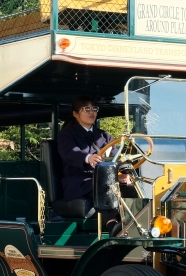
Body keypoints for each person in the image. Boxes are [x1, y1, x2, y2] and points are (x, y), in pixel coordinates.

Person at [56, 95, 132, 235]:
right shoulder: (66, 135)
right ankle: (112, 225)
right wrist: (88, 158)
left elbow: (118, 156)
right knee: (103, 186)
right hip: (78, 181)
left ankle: (137, 222)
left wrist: (123, 173)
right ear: (75, 113)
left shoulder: (104, 136)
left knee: (131, 186)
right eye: (86, 109)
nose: (92, 112)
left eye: (94, 108)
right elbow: (70, 153)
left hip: (104, 179)